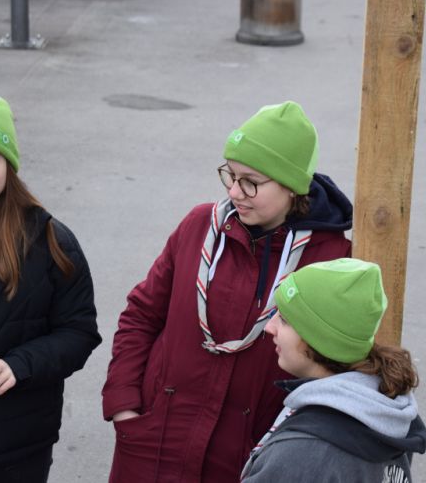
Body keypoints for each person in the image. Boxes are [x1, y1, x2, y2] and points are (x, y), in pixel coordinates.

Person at [102, 101, 352, 482]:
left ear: (291, 185)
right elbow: (141, 315)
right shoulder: (199, 226)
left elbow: (335, 368)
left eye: (251, 181)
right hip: (153, 444)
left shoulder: (330, 259)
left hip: (247, 461)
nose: (235, 191)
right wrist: (124, 406)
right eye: (230, 175)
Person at [0, 93, 101, 483]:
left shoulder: (49, 242)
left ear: (9, 165)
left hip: (13, 445)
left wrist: (20, 365)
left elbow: (78, 333)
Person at [241, 258, 426, 483]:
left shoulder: (301, 456)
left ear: (319, 338)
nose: (269, 327)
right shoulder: (387, 413)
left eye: (285, 320)